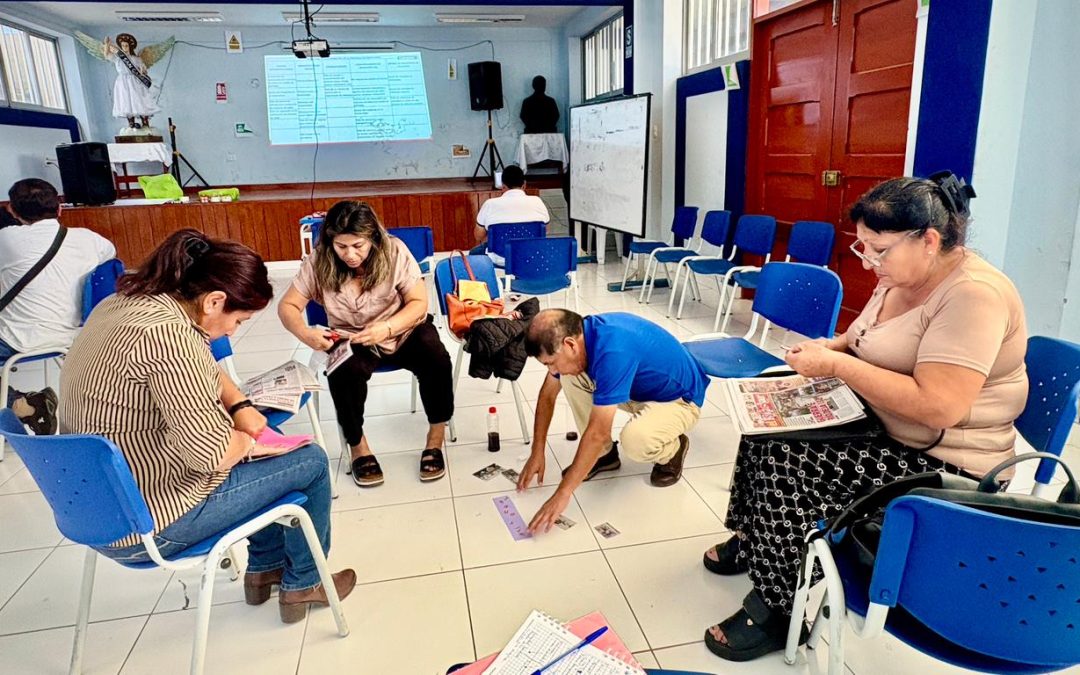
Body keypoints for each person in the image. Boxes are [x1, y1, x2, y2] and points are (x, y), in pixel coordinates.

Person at [700, 172, 1028, 663]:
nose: (869, 262)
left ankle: (778, 608)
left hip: (942, 460)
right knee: (767, 422)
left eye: (879, 250)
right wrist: (831, 349)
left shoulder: (972, 296)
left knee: (791, 463)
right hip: (883, 421)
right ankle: (755, 540)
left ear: (930, 241)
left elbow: (942, 406)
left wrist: (835, 365)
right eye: (863, 249)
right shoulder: (902, 275)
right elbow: (868, 340)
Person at [58, 229, 355, 623]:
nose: (233, 331)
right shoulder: (170, 338)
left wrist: (241, 404)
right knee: (310, 461)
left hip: (96, 509)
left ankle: (265, 568)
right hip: (150, 523)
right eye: (237, 320)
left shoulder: (124, 303)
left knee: (265, 454)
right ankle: (304, 583)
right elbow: (212, 456)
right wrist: (249, 441)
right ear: (214, 301)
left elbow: (208, 369)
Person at [279, 200, 453, 488]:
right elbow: (287, 306)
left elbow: (418, 304)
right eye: (341, 246)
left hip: (400, 328)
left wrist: (386, 327)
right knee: (344, 372)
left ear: (372, 238)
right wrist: (305, 333)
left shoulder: (394, 250)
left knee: (435, 356)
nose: (350, 254)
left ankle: (436, 436)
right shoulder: (319, 259)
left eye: (358, 246)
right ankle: (358, 446)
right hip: (352, 336)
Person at [517, 309, 709, 532]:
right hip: (636, 388)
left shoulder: (613, 350)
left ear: (570, 344)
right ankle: (605, 457)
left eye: (551, 362)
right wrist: (537, 450)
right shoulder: (582, 335)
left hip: (679, 400)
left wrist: (562, 494)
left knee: (635, 440)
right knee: (570, 379)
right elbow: (548, 395)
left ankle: (674, 450)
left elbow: (598, 433)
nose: (552, 370)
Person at [1, 178, 115, 435]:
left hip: (17, 339)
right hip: (76, 335)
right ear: (60, 207)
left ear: (12, 211)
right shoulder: (91, 240)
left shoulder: (6, 240)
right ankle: (26, 405)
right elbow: (109, 262)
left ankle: (23, 406)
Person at [471, 165, 550, 263]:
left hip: (499, 257)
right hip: (531, 256)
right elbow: (545, 231)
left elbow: (478, 236)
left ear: (503, 186)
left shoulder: (489, 204)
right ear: (524, 185)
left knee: (473, 253)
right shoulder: (537, 202)